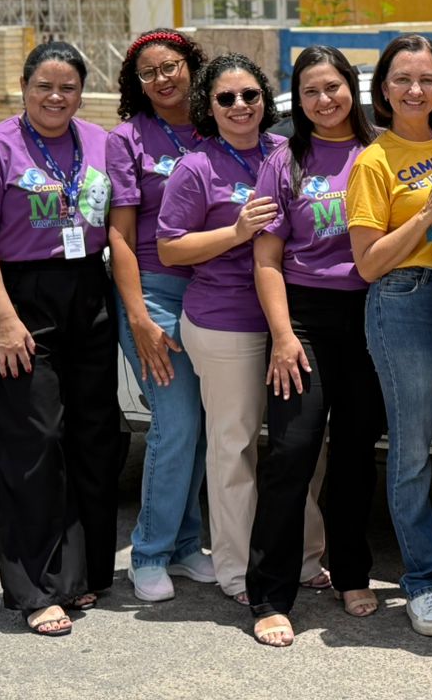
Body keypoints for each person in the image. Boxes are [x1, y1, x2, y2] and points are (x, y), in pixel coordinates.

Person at [0, 40, 119, 636]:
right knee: (34, 441)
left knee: (93, 436)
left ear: (82, 92)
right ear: (24, 88)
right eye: (44, 86)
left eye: (68, 87)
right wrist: (4, 319)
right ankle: (37, 590)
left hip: (89, 291)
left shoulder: (99, 142)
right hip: (23, 299)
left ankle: (84, 573)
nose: (56, 97)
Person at [157, 54, 327, 608]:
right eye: (226, 98)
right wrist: (234, 233)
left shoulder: (289, 152)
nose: (239, 106)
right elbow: (169, 248)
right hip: (227, 324)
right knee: (235, 448)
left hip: (293, 323)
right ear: (208, 106)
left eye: (250, 95)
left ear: (265, 100)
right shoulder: (195, 167)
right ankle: (235, 569)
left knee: (301, 447)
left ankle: (306, 558)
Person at [244, 46, 385, 647]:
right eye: (310, 92)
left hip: (372, 315)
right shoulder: (284, 160)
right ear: (298, 101)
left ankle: (352, 573)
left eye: (332, 87)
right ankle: (270, 595)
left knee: (355, 453)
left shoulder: (380, 151)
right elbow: (266, 259)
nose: (324, 100)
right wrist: (282, 336)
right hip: (303, 317)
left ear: (351, 87)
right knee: (293, 451)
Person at [348, 35, 432, 639]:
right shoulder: (374, 161)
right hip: (404, 301)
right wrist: (427, 212)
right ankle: (422, 582)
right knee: (410, 453)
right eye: (402, 79)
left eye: (426, 78)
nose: (415, 90)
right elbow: (368, 263)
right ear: (383, 89)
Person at [106, 28, 216, 604]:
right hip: (155, 294)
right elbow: (120, 238)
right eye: (148, 73)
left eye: (170, 65)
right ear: (137, 84)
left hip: (215, 294)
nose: (162, 78)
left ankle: (184, 545)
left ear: (191, 65)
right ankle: (148, 552)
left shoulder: (217, 123)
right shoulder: (127, 139)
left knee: (201, 426)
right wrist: (139, 319)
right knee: (175, 424)